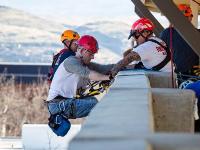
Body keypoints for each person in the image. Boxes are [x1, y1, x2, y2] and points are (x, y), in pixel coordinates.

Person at [46, 35, 114, 136]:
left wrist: (124, 66)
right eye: (91, 53)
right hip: (58, 105)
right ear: (82, 50)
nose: (93, 57)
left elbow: (103, 68)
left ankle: (94, 134)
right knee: (100, 105)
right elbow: (90, 75)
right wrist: (108, 78)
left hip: (62, 103)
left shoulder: (83, 63)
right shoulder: (71, 62)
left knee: (94, 101)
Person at [160, 4, 199, 86]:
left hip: (196, 75)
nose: (184, 21)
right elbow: (158, 52)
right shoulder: (167, 33)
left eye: (186, 17)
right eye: (182, 18)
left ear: (191, 17)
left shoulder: (198, 33)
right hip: (178, 75)